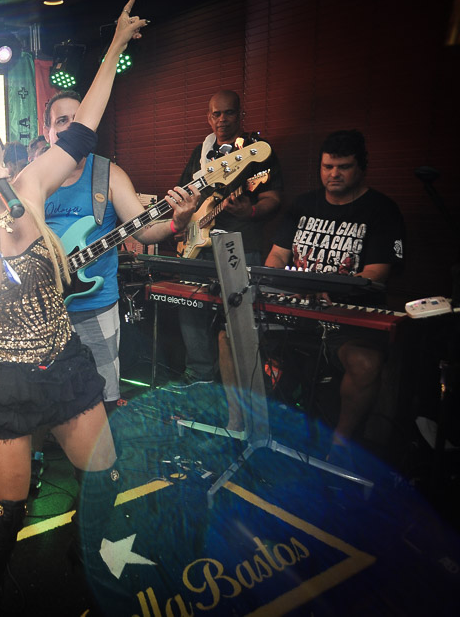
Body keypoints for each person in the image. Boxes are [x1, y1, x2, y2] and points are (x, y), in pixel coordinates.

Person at [0, 0, 175, 613]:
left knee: (104, 475)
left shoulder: (32, 181)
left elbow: (83, 130)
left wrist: (115, 44)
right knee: (8, 507)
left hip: (63, 362)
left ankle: (86, 561)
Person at [224, 130, 404, 464]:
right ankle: (239, 424)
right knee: (229, 336)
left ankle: (340, 448)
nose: (334, 174)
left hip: (346, 319)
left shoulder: (382, 210)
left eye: (343, 167)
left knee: (366, 363)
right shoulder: (304, 205)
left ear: (361, 168)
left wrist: (335, 288)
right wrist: (271, 280)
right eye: (327, 166)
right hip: (295, 311)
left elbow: (377, 273)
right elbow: (277, 257)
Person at [43, 89, 196, 409]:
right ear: (48, 131)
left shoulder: (107, 174)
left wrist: (176, 223)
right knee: (46, 390)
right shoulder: (35, 176)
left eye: (78, 119)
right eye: (61, 120)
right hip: (42, 304)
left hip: (95, 303)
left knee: (103, 391)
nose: (71, 126)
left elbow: (145, 230)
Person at [172, 90, 284, 387]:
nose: (222, 119)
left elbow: (272, 197)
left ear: (240, 115)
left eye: (229, 112)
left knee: (239, 318)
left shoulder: (256, 151)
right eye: (216, 114)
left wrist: (252, 210)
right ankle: (199, 375)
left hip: (241, 244)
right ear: (208, 118)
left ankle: (241, 387)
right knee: (190, 307)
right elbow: (185, 196)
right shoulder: (201, 152)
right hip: (198, 245)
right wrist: (182, 222)